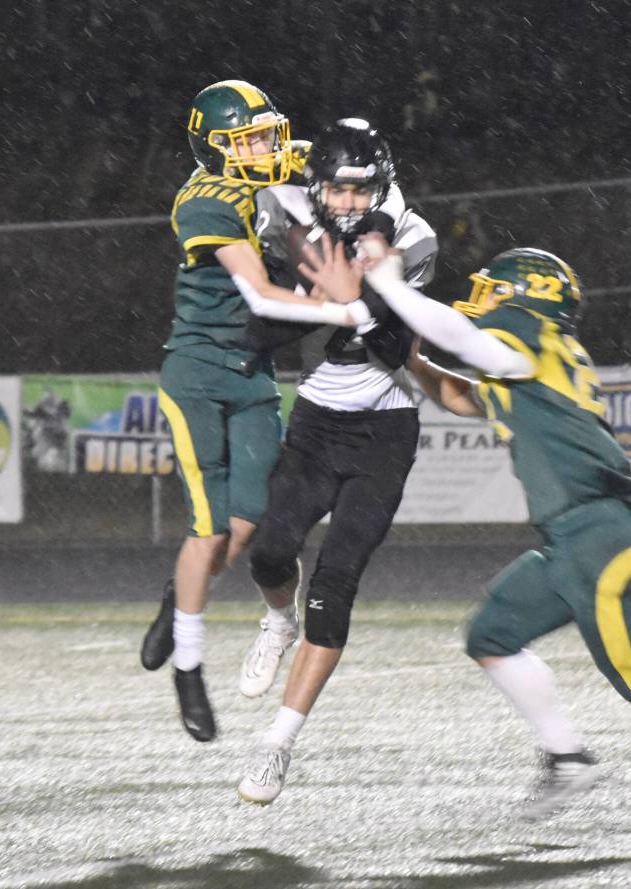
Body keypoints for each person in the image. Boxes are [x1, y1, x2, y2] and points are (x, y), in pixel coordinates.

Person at [303, 241, 631, 847]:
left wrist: (393, 285)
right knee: (491, 638)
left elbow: (471, 341)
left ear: (527, 300)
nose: (486, 299)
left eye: (497, 290)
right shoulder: (534, 359)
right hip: (568, 542)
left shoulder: (527, 339)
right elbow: (461, 394)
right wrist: (408, 356)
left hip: (597, 537)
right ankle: (568, 757)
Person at [141, 80, 371, 745]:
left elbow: (350, 169)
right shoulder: (205, 198)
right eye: (249, 140)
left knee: (246, 526)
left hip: (253, 372)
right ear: (214, 149)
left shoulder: (271, 165)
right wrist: (343, 309)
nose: (267, 149)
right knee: (210, 528)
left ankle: (173, 597)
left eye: (269, 134)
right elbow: (263, 292)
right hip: (198, 370)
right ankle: (189, 666)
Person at [228, 119, 438, 805]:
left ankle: (276, 745)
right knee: (269, 551)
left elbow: (390, 344)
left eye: (359, 190)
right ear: (315, 186)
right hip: (318, 418)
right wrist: (331, 298)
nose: (346, 203)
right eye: (335, 190)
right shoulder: (288, 214)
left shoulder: (413, 236)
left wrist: (337, 301)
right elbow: (259, 329)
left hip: (385, 427)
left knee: (334, 580)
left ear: (380, 188)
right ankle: (275, 621)